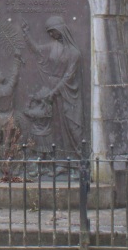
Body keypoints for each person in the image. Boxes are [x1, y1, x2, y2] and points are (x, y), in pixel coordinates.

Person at [21, 15, 86, 157]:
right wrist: (26, 34)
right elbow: (37, 49)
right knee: (57, 129)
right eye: (48, 32)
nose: (50, 34)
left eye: (52, 31)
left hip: (68, 95)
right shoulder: (53, 46)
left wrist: (53, 92)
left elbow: (68, 76)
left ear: (60, 29)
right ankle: (62, 163)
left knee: (72, 127)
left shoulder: (75, 53)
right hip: (53, 94)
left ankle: (79, 161)